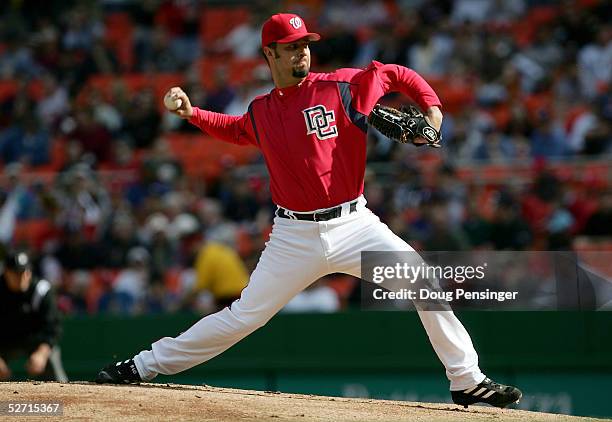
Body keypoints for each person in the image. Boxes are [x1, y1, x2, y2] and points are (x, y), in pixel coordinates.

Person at [96, 13, 521, 408]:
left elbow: (397, 74)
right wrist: (193, 114)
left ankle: (466, 380)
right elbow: (237, 130)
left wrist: (433, 112)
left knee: (423, 283)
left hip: (355, 225)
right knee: (242, 317)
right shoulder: (262, 110)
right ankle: (142, 366)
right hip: (292, 237)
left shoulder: (342, 86)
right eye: (291, 46)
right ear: (270, 54)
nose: (301, 51)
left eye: (305, 44)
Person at [0, 251, 68, 382]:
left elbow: (53, 327)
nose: (22, 277)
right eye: (16, 273)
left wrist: (41, 354)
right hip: (4, 341)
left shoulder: (41, 290)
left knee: (50, 356)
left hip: (34, 341)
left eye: (25, 272)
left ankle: (63, 397)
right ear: (6, 273)